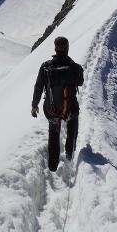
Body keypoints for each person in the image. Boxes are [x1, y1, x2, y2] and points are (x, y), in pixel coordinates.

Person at [31, 36, 84, 172]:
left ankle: (53, 166)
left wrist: (34, 105)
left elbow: (38, 87)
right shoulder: (74, 67)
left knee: (53, 135)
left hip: (51, 109)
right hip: (70, 109)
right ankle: (69, 154)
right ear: (67, 49)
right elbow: (80, 82)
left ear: (55, 48)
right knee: (72, 126)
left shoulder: (45, 67)